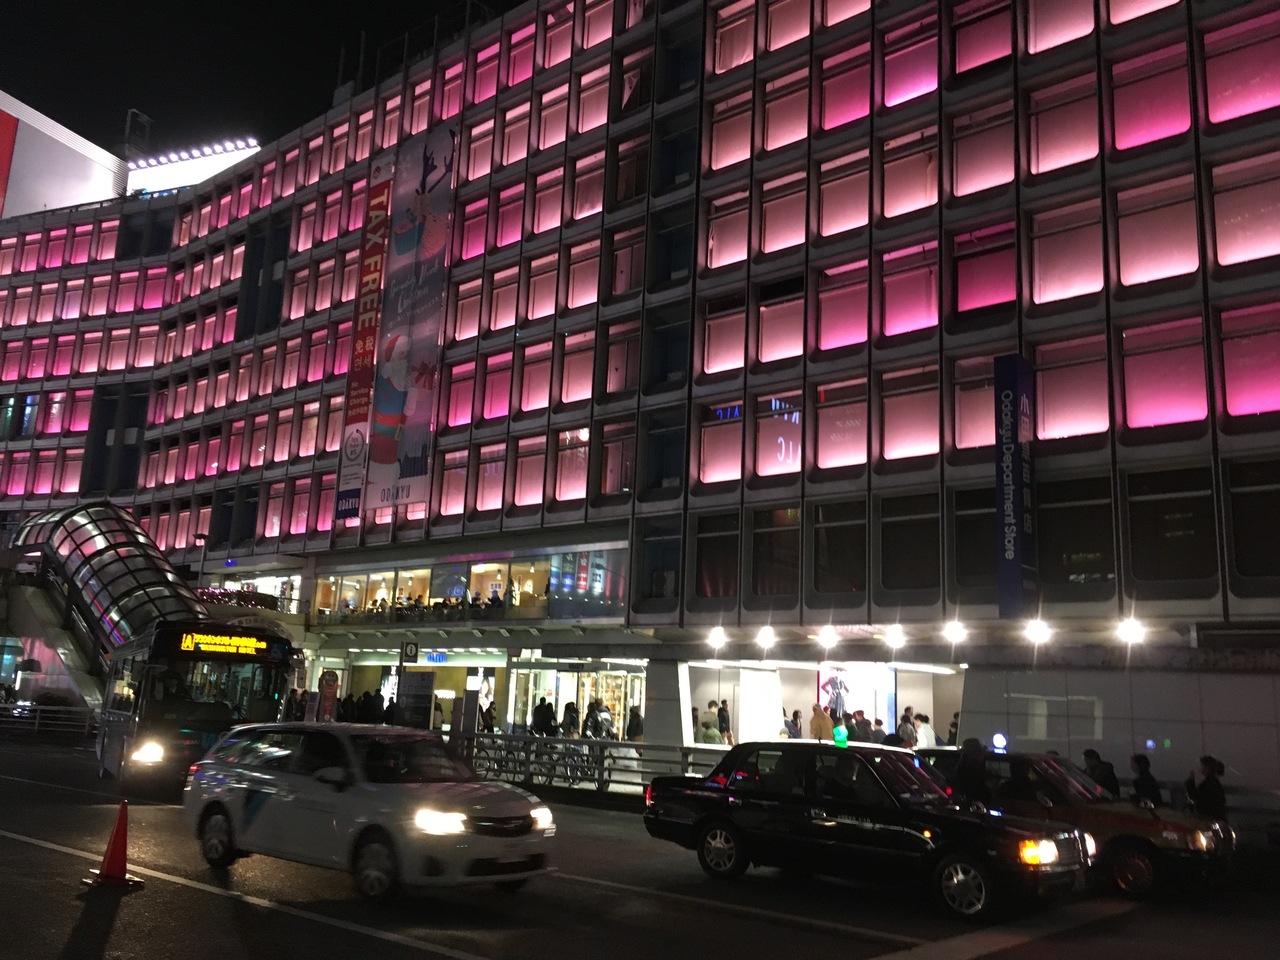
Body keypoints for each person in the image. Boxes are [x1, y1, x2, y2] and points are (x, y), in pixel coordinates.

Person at [1184, 756, 1228, 821]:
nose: (1200, 767)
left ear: (1207, 768)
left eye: (1202, 765)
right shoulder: (1213, 782)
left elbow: (1195, 796)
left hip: (1209, 818)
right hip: (1215, 818)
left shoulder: (1209, 783)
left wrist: (1190, 782)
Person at [952, 737, 992, 806]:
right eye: (980, 752)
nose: (982, 754)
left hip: (965, 804)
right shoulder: (976, 768)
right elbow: (989, 787)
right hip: (977, 805)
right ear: (975, 753)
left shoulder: (961, 766)